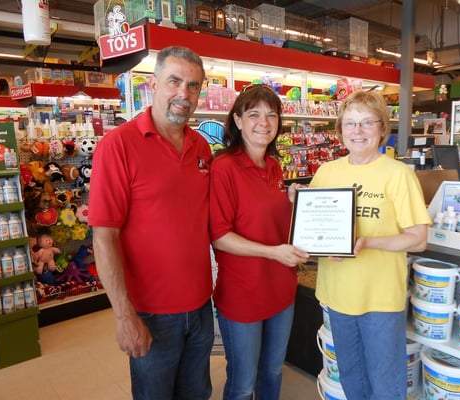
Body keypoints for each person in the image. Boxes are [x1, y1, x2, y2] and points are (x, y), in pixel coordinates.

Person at [88, 46, 214, 400]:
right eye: (174, 81)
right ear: (154, 84)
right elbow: (104, 238)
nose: (183, 94)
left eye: (193, 86)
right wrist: (124, 317)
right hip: (151, 313)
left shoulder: (202, 147)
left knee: (196, 395)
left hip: (201, 307)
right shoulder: (118, 146)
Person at [309, 90, 431, 400]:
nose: (357, 131)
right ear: (340, 131)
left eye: (366, 123)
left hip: (378, 298)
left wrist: (367, 242)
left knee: (385, 382)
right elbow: (313, 229)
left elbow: (418, 239)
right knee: (351, 377)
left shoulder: (398, 174)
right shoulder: (326, 173)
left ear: (382, 129)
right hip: (337, 294)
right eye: (350, 123)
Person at [209, 84, 309, 400]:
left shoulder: (275, 166)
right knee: (242, 382)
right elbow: (220, 237)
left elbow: (271, 221)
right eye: (253, 114)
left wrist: (297, 204)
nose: (263, 122)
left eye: (271, 115)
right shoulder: (224, 167)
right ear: (237, 120)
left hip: (281, 289)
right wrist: (272, 253)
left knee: (273, 371)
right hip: (243, 293)